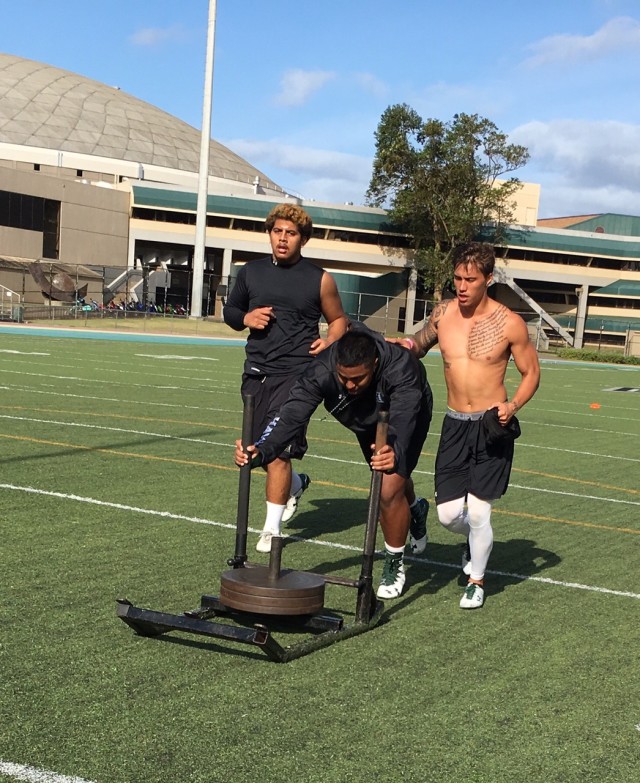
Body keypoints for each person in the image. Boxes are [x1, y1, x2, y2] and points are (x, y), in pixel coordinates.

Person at [234, 325, 433, 600]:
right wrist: (264, 451)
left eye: (358, 379)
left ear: (374, 363)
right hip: (363, 420)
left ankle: (394, 563)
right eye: (344, 378)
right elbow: (292, 413)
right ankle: (415, 508)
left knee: (388, 486)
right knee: (396, 485)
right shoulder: (321, 370)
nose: (350, 385)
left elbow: (406, 413)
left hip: (403, 416)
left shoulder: (401, 366)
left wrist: (395, 450)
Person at [396, 242, 540, 609]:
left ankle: (476, 580)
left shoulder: (510, 322)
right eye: (457, 278)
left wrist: (513, 404)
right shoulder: (443, 313)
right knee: (449, 515)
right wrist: (405, 345)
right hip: (454, 423)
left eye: (470, 279)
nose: (461, 286)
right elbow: (421, 343)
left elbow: (531, 373)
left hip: (492, 424)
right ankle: (473, 540)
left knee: (478, 511)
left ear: (488, 279)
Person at [223, 204, 349, 553]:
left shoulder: (319, 278)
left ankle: (271, 529)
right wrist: (247, 317)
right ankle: (295, 485)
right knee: (257, 450)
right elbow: (230, 312)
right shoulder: (251, 272)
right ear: (270, 234)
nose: (282, 238)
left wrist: (329, 340)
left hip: (299, 376)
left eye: (290, 233)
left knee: (276, 452)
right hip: (256, 374)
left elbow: (339, 320)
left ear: (303, 239)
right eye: (277, 231)